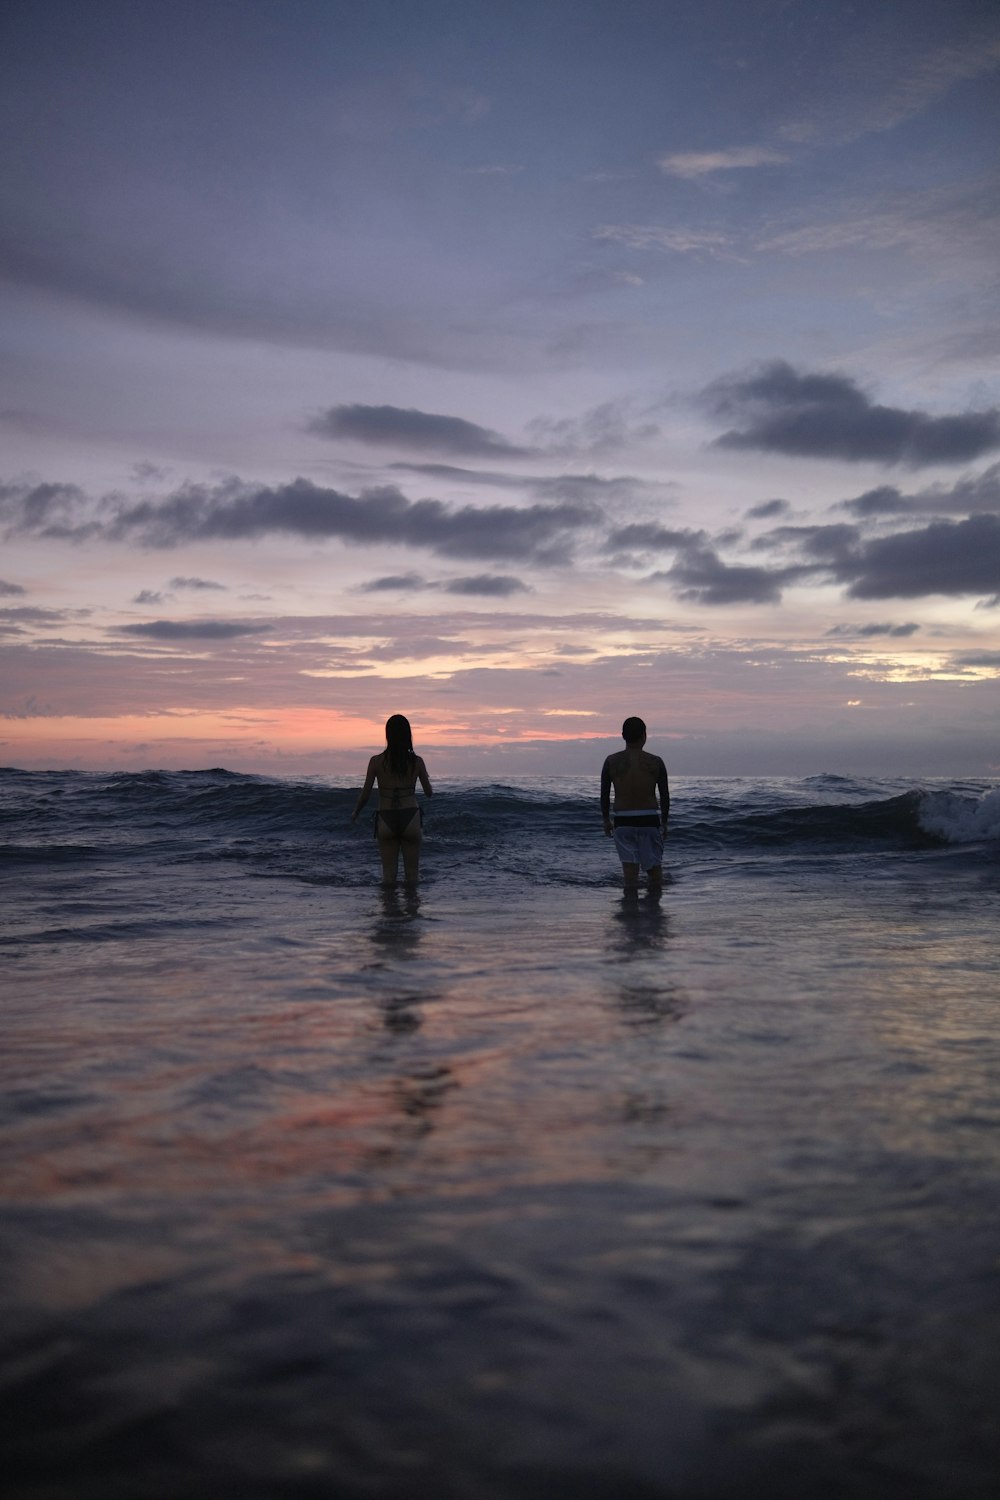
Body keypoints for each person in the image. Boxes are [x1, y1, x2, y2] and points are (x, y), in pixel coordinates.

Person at [351, 715, 433, 886]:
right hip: (410, 816)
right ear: (408, 735)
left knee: (388, 877)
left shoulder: (376, 761)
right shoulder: (417, 762)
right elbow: (428, 793)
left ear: (387, 735)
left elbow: (365, 794)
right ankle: (413, 912)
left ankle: (390, 911)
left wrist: (356, 812)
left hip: (386, 817)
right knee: (412, 876)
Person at [601, 716, 670, 891]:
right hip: (649, 820)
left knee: (629, 875)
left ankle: (630, 913)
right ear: (644, 736)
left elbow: (604, 794)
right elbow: (664, 795)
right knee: (655, 873)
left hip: (623, 822)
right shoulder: (656, 762)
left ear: (623, 735)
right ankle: (653, 912)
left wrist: (606, 820)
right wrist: (664, 822)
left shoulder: (611, 761)